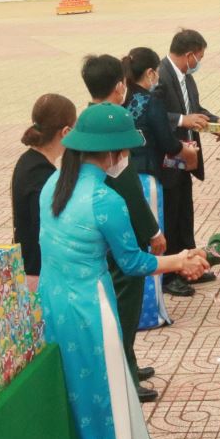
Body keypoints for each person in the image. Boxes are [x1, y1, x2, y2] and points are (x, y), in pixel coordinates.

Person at [39, 103, 205, 439]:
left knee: (72, 399)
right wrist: (180, 260)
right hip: (90, 310)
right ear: (112, 154)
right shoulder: (104, 199)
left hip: (52, 303)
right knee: (105, 400)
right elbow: (133, 262)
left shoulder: (53, 184)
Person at [82, 55, 166, 395]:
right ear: (120, 86)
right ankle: (125, 376)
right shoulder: (115, 120)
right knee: (124, 308)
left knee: (121, 307)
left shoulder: (85, 120)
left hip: (101, 233)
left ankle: (128, 362)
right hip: (120, 235)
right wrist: (153, 232)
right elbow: (129, 187)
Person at [154, 31, 220, 296]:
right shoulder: (160, 76)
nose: (199, 62)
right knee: (170, 216)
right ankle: (171, 274)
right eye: (200, 57)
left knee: (184, 214)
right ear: (189, 55)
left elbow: (193, 107)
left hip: (185, 159)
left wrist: (214, 122)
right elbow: (156, 114)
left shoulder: (186, 77)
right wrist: (183, 121)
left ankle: (191, 265)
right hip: (168, 160)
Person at [123, 47, 181, 338]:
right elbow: (169, 144)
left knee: (130, 244)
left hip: (123, 178)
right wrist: (188, 151)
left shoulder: (122, 99)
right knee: (153, 241)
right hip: (147, 178)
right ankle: (151, 312)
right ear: (149, 73)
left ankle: (135, 313)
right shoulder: (149, 101)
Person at [11, 94, 76, 293]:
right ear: (66, 131)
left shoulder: (28, 160)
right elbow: (45, 230)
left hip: (27, 263)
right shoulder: (42, 175)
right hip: (38, 272)